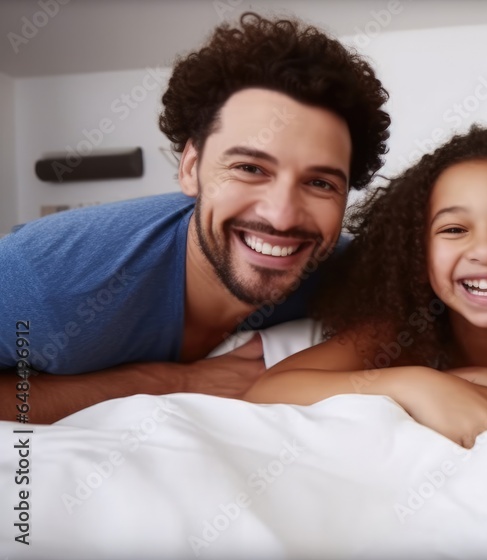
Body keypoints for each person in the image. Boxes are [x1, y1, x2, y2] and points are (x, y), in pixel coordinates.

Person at [0, 12, 391, 423]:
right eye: (250, 168)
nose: (281, 216)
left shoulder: (343, 270)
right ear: (191, 168)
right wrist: (171, 383)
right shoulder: (44, 281)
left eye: (320, 183)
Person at [245, 124, 487, 447]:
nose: (485, 251)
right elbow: (268, 390)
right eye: (454, 230)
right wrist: (417, 386)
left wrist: (463, 387)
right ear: (417, 258)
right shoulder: (402, 325)